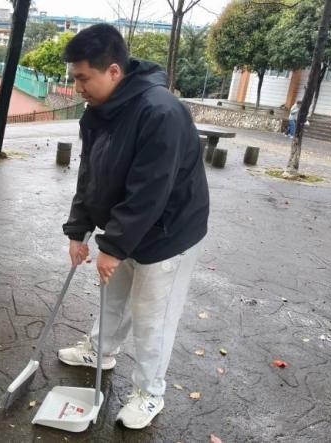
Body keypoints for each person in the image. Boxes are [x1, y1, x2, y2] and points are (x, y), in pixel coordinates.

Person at [59, 24, 209, 430]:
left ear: (113, 71)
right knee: (113, 295)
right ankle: (101, 351)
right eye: (75, 79)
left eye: (83, 78)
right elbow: (91, 173)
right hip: (127, 225)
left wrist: (112, 246)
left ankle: (149, 392)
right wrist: (78, 230)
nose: (78, 88)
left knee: (152, 318)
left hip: (169, 232)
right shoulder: (99, 110)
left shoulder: (161, 112)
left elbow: (150, 190)